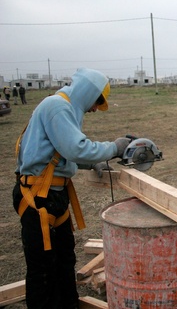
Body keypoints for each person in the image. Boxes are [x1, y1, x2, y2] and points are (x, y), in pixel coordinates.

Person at [13, 68, 131, 309]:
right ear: (88, 92)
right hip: (38, 198)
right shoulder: (57, 107)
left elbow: (63, 152)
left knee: (65, 259)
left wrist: (92, 162)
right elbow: (75, 149)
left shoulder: (66, 109)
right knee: (43, 268)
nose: (96, 108)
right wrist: (115, 148)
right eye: (98, 101)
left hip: (52, 196)